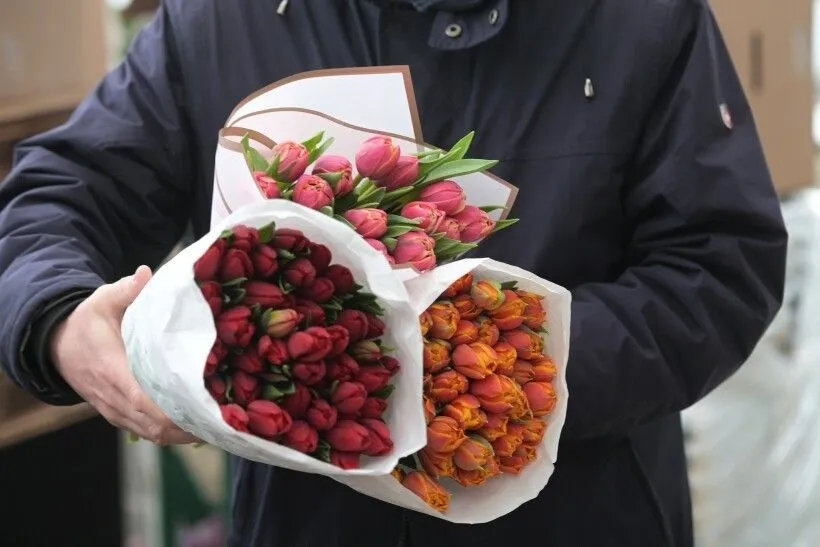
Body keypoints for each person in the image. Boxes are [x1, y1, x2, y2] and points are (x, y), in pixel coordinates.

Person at [0, 1, 787, 546]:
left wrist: (486, 373)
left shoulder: (643, 20)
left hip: (577, 511)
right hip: (305, 522)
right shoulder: (220, 20)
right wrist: (57, 319)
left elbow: (720, 261)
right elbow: (62, 194)